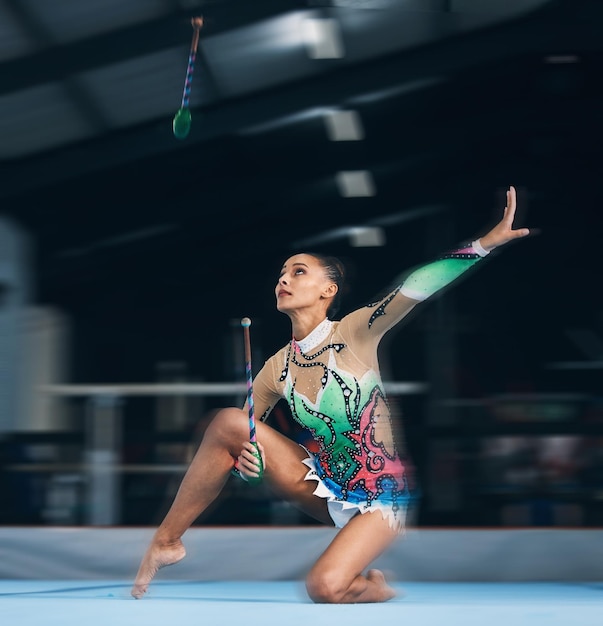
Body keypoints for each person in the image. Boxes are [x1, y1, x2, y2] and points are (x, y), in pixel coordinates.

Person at [131, 185, 530, 603]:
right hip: (322, 486)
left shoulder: (356, 331)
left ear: (329, 290)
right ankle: (166, 541)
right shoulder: (276, 367)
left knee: (325, 588)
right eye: (281, 273)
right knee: (228, 421)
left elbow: (417, 285)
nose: (284, 278)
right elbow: (242, 439)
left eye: (299, 271)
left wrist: (485, 244)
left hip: (381, 496)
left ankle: (374, 587)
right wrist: (242, 467)